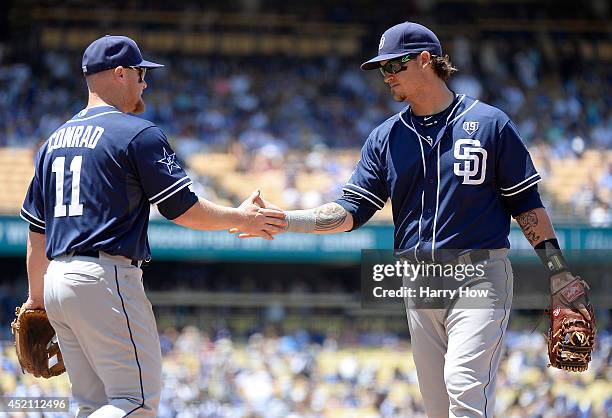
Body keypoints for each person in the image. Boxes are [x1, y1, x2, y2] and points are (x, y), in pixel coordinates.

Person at [233, 22, 591, 418]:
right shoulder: (386, 137)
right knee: (438, 408)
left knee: (463, 388)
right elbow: (350, 211)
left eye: (394, 66)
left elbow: (526, 204)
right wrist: (285, 219)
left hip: (478, 275)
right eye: (382, 69)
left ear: (425, 60)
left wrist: (558, 272)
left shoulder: (490, 124)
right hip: (418, 279)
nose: (386, 76)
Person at [19, 35, 286, 417]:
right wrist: (241, 218)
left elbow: (36, 232)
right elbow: (183, 210)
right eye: (141, 73)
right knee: (136, 403)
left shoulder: (53, 143)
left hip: (58, 280)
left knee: (94, 405)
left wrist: (37, 298)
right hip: (104, 277)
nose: (145, 82)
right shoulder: (136, 133)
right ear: (121, 73)